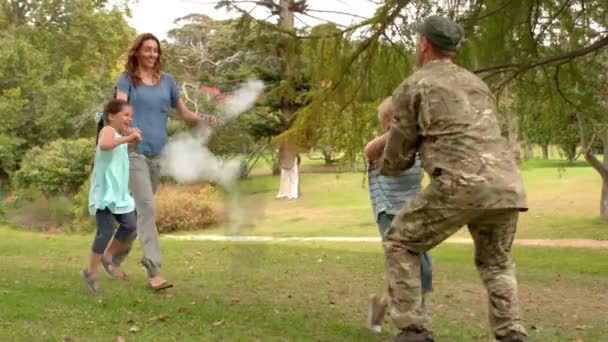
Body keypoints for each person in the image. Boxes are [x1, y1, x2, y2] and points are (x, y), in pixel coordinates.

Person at [378, 16, 528, 342]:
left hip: (460, 184)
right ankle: (512, 334)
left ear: (424, 44)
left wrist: (385, 165)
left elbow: (400, 155)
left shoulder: (413, 86)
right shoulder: (478, 84)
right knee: (496, 263)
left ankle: (413, 330)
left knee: (400, 241)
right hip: (506, 186)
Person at [102, 33, 217, 290]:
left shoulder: (168, 82)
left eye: (156, 50)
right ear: (137, 53)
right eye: (147, 50)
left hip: (158, 154)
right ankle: (154, 271)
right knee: (147, 209)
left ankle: (111, 257)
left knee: (139, 211)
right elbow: (118, 110)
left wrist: (203, 119)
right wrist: (125, 132)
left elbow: (183, 112)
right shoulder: (127, 80)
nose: (152, 54)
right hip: (133, 152)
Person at [364, 97, 432, 334]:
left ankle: (382, 305)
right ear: (388, 120)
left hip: (414, 211)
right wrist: (395, 131)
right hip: (388, 212)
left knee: (422, 269)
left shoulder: (416, 142)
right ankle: (415, 323)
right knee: (405, 268)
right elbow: (368, 150)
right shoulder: (382, 145)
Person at [80, 99, 142, 295]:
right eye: (126, 115)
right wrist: (126, 138)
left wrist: (133, 141)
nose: (129, 118)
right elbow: (106, 145)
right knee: (104, 232)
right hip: (105, 193)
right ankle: (90, 272)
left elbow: (121, 153)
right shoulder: (107, 130)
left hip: (119, 193)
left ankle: (108, 256)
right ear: (111, 116)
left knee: (131, 224)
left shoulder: (119, 134)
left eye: (131, 115)